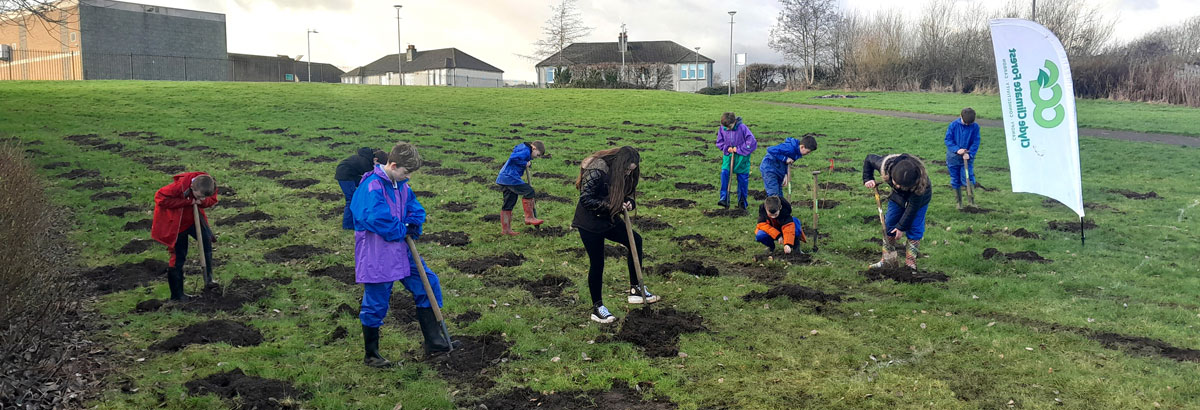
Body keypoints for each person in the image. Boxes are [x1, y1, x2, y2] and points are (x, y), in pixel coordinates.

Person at [350, 142, 455, 367]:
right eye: (406, 172)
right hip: (377, 253)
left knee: (428, 283)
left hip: (403, 250)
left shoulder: (401, 184)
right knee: (376, 302)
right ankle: (372, 354)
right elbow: (375, 217)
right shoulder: (372, 186)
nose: (409, 177)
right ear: (394, 165)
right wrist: (401, 229)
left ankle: (434, 342)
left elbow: (413, 206)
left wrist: (415, 223)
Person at [572, 146, 659, 324]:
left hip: (608, 218)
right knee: (597, 262)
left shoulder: (626, 174)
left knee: (635, 240)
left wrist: (628, 203)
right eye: (627, 169)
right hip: (589, 222)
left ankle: (635, 289)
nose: (628, 173)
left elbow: (625, 195)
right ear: (620, 164)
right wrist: (613, 205)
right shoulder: (598, 168)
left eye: (632, 170)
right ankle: (598, 308)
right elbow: (586, 199)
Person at [151, 172, 219, 301]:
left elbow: (211, 200)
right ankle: (177, 295)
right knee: (179, 255)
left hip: (194, 219)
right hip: (176, 224)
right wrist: (186, 202)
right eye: (200, 195)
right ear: (192, 187)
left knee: (206, 241)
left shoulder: (209, 184)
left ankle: (209, 279)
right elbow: (160, 199)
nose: (203, 198)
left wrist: (200, 202)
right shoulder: (177, 187)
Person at [862, 154, 931, 270]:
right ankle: (886, 260)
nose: (897, 186)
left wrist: (901, 227)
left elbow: (912, 209)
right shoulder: (887, 166)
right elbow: (869, 159)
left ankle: (910, 263)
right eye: (895, 183)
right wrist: (867, 178)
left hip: (919, 202)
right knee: (889, 223)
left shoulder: (921, 186)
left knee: (915, 227)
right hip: (898, 197)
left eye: (901, 185)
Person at [494, 140, 547, 235]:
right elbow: (513, 158)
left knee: (509, 202)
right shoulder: (526, 150)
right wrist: (525, 163)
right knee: (529, 191)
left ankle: (506, 230)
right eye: (537, 155)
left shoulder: (523, 149)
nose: (536, 157)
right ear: (534, 148)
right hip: (510, 177)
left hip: (504, 177)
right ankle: (529, 217)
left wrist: (527, 162)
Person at [336, 147, 389, 229]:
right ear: (375, 159)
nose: (379, 167)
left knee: (363, 188)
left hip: (352, 174)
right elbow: (373, 177)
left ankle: (360, 215)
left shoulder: (368, 159)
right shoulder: (367, 165)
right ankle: (347, 225)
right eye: (378, 164)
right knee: (351, 199)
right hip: (344, 175)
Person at [715, 112, 758, 209]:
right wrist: (727, 148)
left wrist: (738, 149)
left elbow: (751, 142)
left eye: (729, 126)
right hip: (728, 155)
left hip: (742, 157)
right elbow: (719, 142)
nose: (728, 129)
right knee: (725, 174)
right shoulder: (723, 128)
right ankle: (724, 198)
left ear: (734, 122)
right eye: (726, 127)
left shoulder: (742, 128)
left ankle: (742, 202)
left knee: (742, 179)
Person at [945, 107, 981, 210]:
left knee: (967, 178)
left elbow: (976, 141)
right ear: (961, 117)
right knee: (955, 180)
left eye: (969, 124)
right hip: (953, 158)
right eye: (965, 123)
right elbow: (948, 140)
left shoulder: (975, 127)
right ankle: (959, 203)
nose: (967, 125)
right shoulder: (953, 125)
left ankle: (971, 202)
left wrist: (970, 154)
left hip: (967, 159)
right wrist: (957, 150)